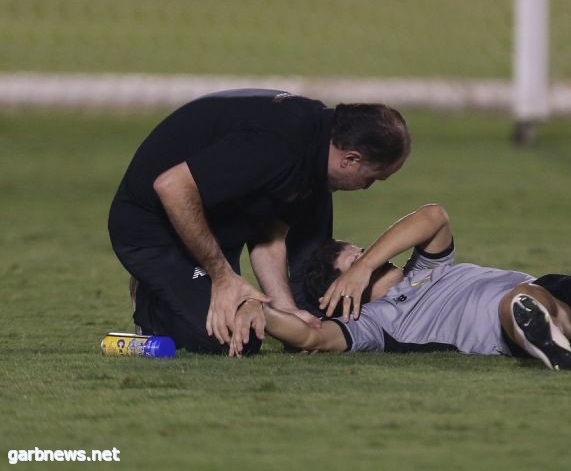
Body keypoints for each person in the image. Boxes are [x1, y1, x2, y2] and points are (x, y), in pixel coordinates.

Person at [230, 180, 571, 368]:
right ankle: (545, 335)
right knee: (517, 302)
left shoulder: (425, 268)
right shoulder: (373, 325)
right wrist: (261, 311)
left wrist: (361, 265)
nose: (372, 258)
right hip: (526, 315)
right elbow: (311, 339)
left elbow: (434, 216)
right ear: (336, 292)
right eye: (356, 256)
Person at [108, 89, 410, 354]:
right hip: (153, 229)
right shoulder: (277, 146)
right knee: (231, 341)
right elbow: (171, 187)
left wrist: (285, 308)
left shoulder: (315, 147)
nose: (367, 188)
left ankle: (190, 285)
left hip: (213, 222)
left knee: (284, 321)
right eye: (372, 178)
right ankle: (151, 305)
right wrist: (223, 277)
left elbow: (270, 239)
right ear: (351, 160)